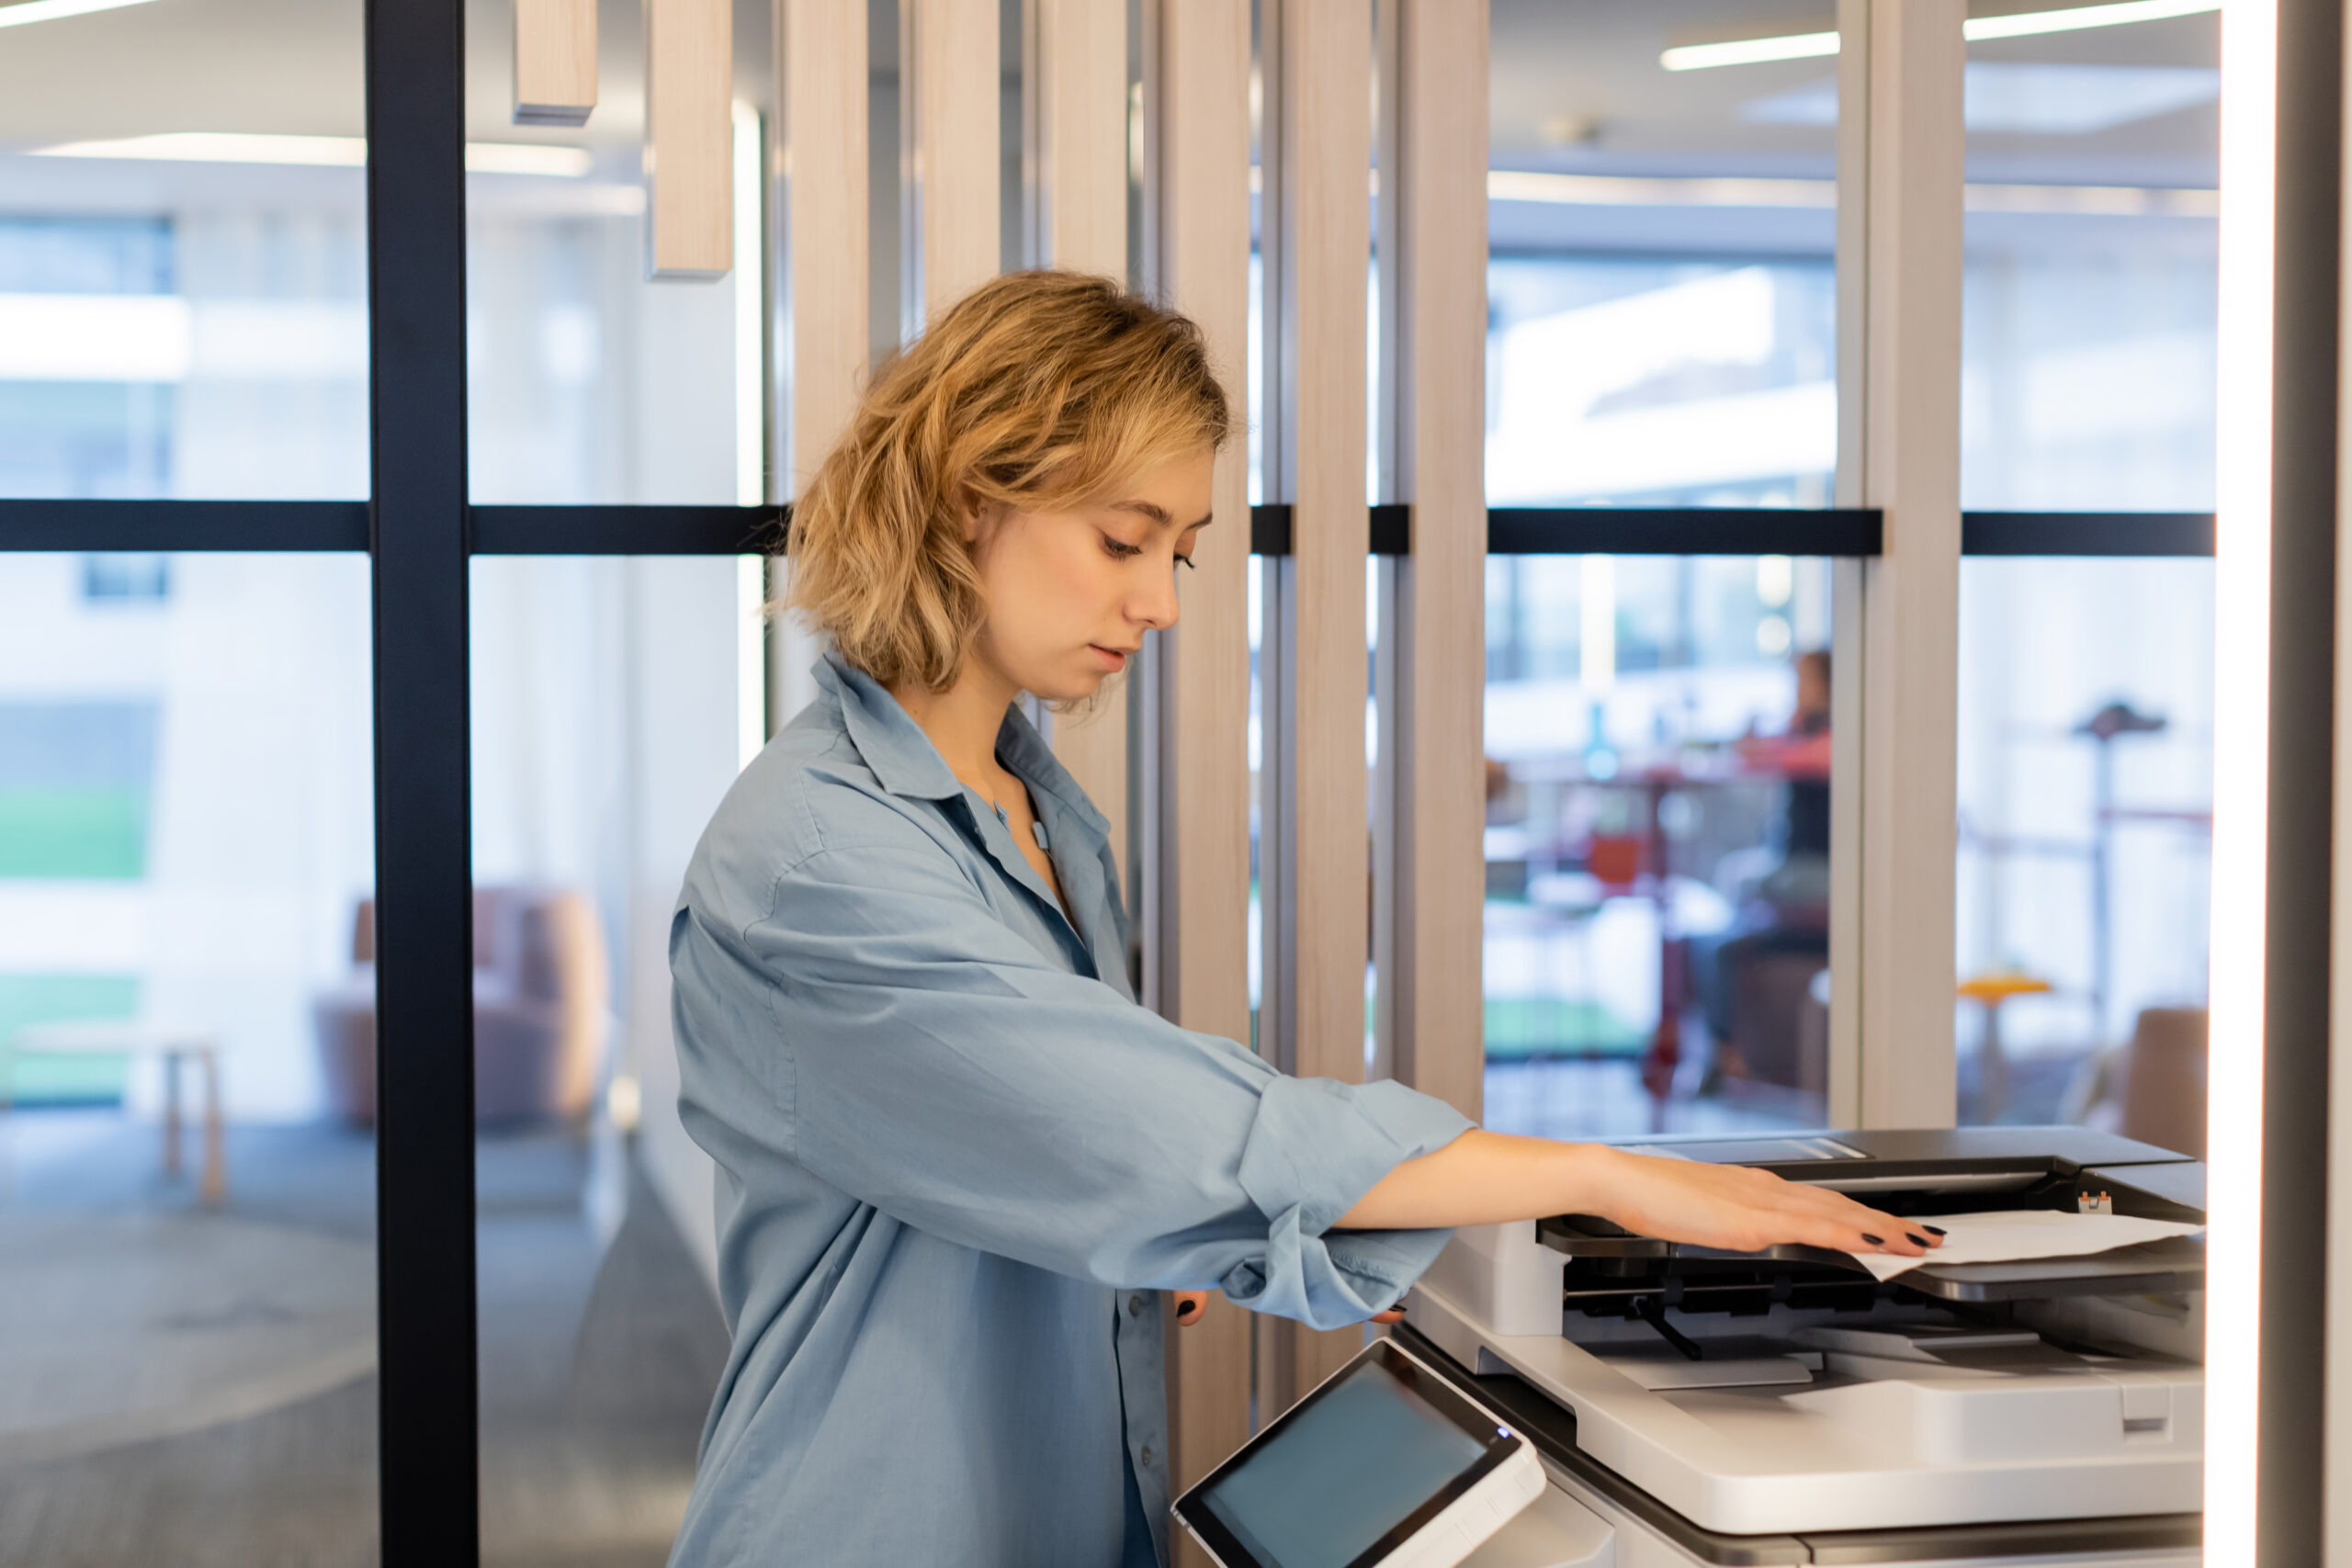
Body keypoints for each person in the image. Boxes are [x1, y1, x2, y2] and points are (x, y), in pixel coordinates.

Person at [663, 272, 1936, 1568]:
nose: (1161, 602)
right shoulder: (818, 859)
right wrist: (1604, 1172)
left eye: (1181, 551)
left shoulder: (1037, 814)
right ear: (966, 497)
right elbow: (1163, 1131)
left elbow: (1043, 1142)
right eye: (1123, 540)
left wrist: (1143, 1226)